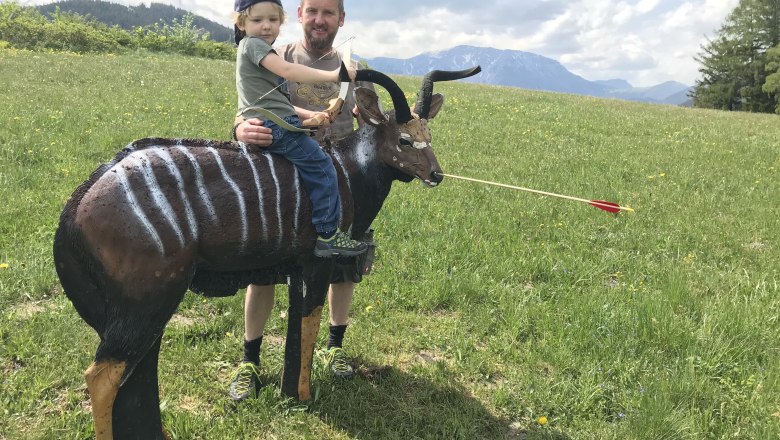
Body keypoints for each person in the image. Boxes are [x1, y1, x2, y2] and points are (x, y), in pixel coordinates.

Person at [229, 0, 374, 401]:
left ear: (341, 19)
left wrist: (370, 113)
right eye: (312, 10)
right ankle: (250, 362)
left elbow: (374, 129)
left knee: (343, 268)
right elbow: (252, 104)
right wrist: (240, 127)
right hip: (282, 182)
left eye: (329, 12)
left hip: (343, 183)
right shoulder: (277, 51)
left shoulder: (354, 68)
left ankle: (335, 348)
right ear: (299, 14)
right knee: (263, 269)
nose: (320, 19)